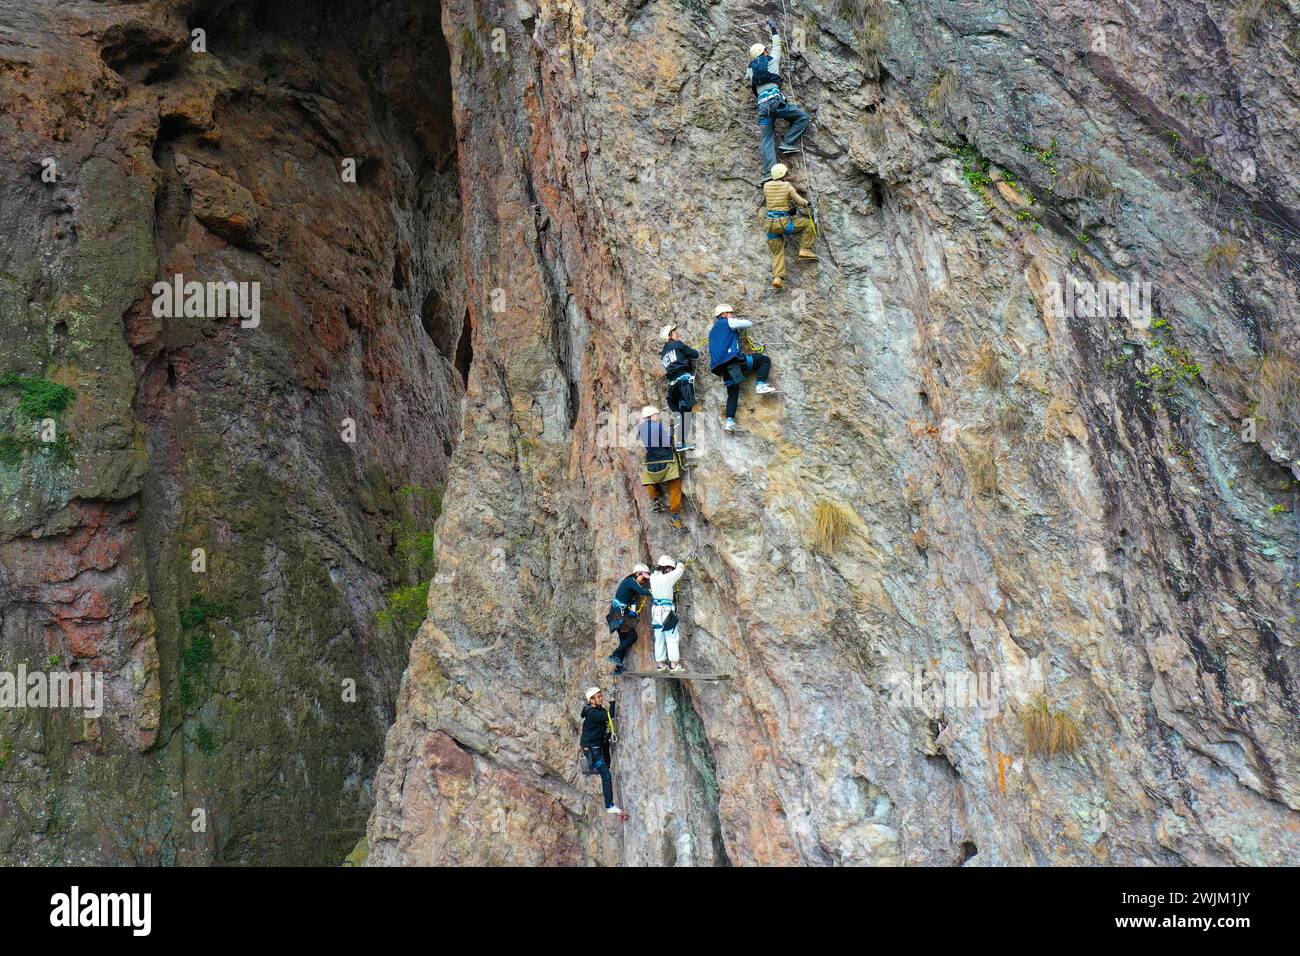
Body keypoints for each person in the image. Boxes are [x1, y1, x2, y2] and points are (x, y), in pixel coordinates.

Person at [746, 18, 810, 177]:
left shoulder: (751, 70)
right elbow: (777, 45)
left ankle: (769, 173)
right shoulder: (772, 60)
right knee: (803, 117)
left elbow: (747, 77)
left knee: (766, 139)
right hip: (775, 102)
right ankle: (787, 142)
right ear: (764, 52)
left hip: (763, 108)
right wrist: (773, 28)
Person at [708, 303, 777, 432]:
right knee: (764, 360)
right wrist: (737, 322)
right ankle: (761, 384)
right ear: (724, 314)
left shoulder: (712, 332)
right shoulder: (727, 322)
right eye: (731, 313)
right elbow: (748, 323)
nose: (733, 315)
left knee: (733, 394)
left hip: (723, 370)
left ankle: (729, 421)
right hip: (735, 362)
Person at [763, 163, 817, 290]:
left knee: (777, 252)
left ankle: (777, 278)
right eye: (786, 174)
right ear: (783, 175)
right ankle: (805, 249)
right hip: (784, 224)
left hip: (770, 225)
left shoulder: (766, 186)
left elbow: (774, 201)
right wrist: (808, 203)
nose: (787, 175)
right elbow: (799, 201)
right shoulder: (787, 186)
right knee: (808, 225)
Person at [637, 406, 686, 531]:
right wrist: (670, 434)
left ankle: (655, 501)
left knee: (650, 479)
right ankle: (675, 517)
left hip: (652, 461)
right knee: (675, 486)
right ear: (652, 415)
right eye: (656, 415)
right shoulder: (658, 426)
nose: (657, 417)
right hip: (666, 459)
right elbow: (666, 443)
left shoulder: (640, 428)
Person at [581, 687, 622, 815]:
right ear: (591, 700)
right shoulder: (592, 713)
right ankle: (609, 805)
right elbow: (609, 715)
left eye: (600, 696)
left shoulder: (598, 710)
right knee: (606, 775)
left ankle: (610, 805)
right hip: (592, 750)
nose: (600, 698)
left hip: (598, 746)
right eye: (597, 697)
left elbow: (606, 722)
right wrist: (614, 701)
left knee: (606, 771)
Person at [659, 324, 698, 452]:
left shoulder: (663, 353)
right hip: (684, 383)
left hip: (673, 388)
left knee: (682, 414)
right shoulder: (677, 344)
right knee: (686, 413)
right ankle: (681, 443)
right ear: (669, 336)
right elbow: (694, 354)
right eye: (674, 332)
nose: (677, 333)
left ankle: (681, 441)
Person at [606, 563, 651, 673]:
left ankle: (618, 668)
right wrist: (657, 588)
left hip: (618, 614)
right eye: (643, 578)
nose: (644, 581)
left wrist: (633, 612)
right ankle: (615, 655)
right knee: (632, 637)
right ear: (637, 573)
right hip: (618, 615)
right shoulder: (631, 581)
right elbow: (643, 591)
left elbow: (632, 600)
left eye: (646, 579)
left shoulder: (632, 584)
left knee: (624, 641)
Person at [649, 555, 687, 671]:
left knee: (659, 636)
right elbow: (680, 570)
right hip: (666, 610)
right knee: (671, 636)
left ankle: (661, 664)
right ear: (667, 568)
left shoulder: (653, 577)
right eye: (670, 568)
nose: (671, 570)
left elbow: (656, 573)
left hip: (655, 610)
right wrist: (680, 563)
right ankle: (674, 665)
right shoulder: (668, 577)